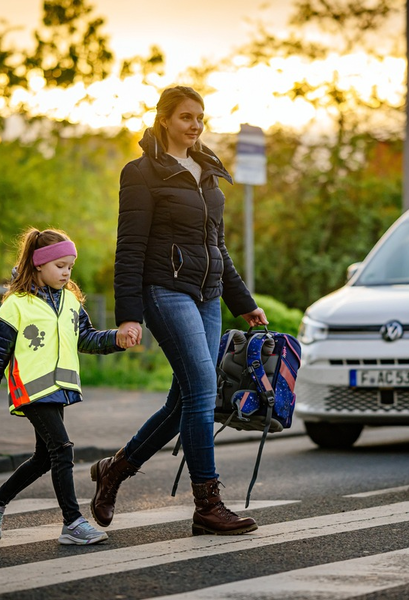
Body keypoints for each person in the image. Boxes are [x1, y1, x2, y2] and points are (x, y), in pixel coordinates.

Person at [89, 85, 268, 536]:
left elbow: (216, 247)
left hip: (207, 295)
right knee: (203, 388)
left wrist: (243, 303)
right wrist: (128, 314)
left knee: (184, 401)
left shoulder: (207, 172)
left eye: (201, 118)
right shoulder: (142, 173)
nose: (195, 125)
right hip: (164, 290)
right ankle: (208, 505)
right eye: (187, 117)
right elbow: (129, 248)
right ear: (164, 119)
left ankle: (114, 470)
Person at [0, 228, 137, 545]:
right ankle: (72, 523)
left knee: (45, 457)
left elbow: (85, 338)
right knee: (62, 449)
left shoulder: (71, 301)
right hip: (30, 389)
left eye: (70, 266)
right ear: (38, 264)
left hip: (58, 387)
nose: (66, 272)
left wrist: (116, 338)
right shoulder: (16, 304)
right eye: (60, 265)